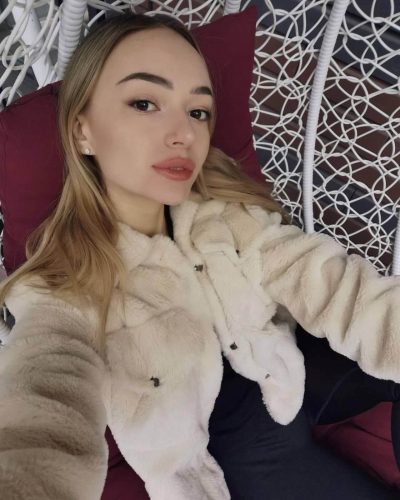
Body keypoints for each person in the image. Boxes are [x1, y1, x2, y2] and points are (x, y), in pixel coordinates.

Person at [0, 12, 398, 500]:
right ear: (82, 130)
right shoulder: (68, 283)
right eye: (145, 103)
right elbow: (45, 407)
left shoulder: (224, 214)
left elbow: (339, 290)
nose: (183, 134)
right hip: (246, 447)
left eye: (198, 112)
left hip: (288, 369)